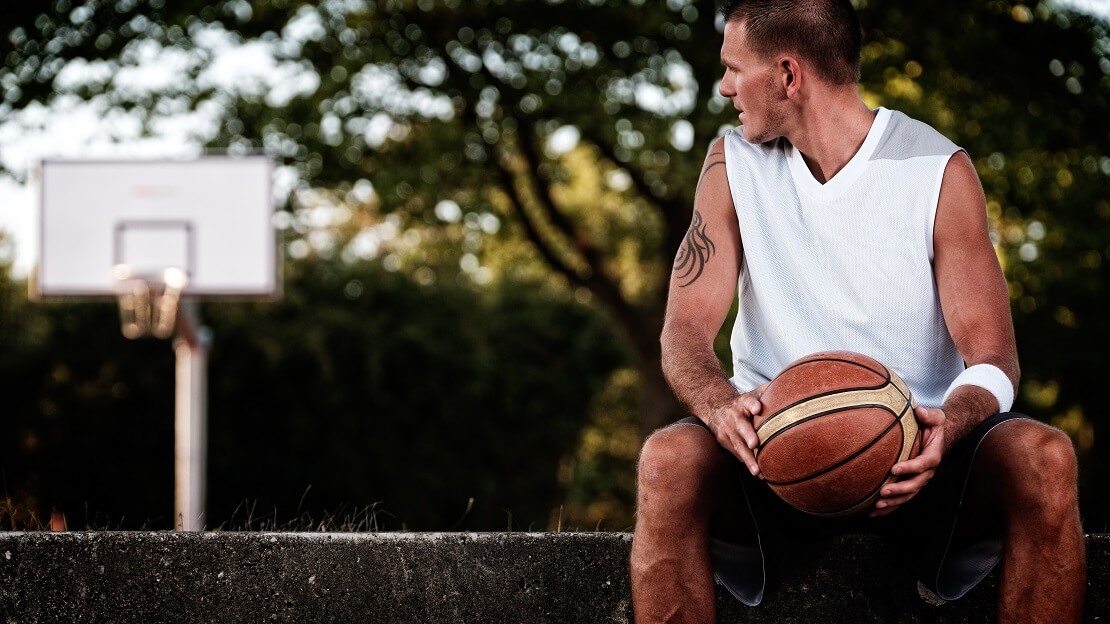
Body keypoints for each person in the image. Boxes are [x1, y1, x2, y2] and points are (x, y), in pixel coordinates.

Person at [630, 0, 1087, 622]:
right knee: (667, 461)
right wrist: (716, 403)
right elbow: (683, 329)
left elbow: (995, 358)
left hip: (918, 464)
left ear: (789, 76)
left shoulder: (938, 171)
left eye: (736, 69)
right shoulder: (729, 164)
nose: (726, 87)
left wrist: (944, 429)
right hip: (771, 456)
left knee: (1045, 456)